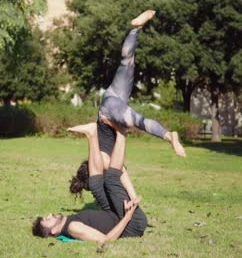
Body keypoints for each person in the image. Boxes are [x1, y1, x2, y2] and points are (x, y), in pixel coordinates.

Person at [70, 10, 185, 199]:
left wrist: (133, 197)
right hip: (112, 99)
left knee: (139, 121)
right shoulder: (97, 154)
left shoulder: (103, 163)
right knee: (126, 61)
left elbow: (122, 173)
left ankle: (169, 136)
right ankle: (136, 29)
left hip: (111, 112)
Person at [32, 120, 147, 243]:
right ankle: (121, 132)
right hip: (132, 224)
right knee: (110, 178)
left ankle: (92, 134)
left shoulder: (70, 221)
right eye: (48, 219)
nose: (50, 215)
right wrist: (128, 217)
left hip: (113, 213)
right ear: (54, 230)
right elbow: (106, 239)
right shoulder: (72, 227)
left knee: (95, 185)